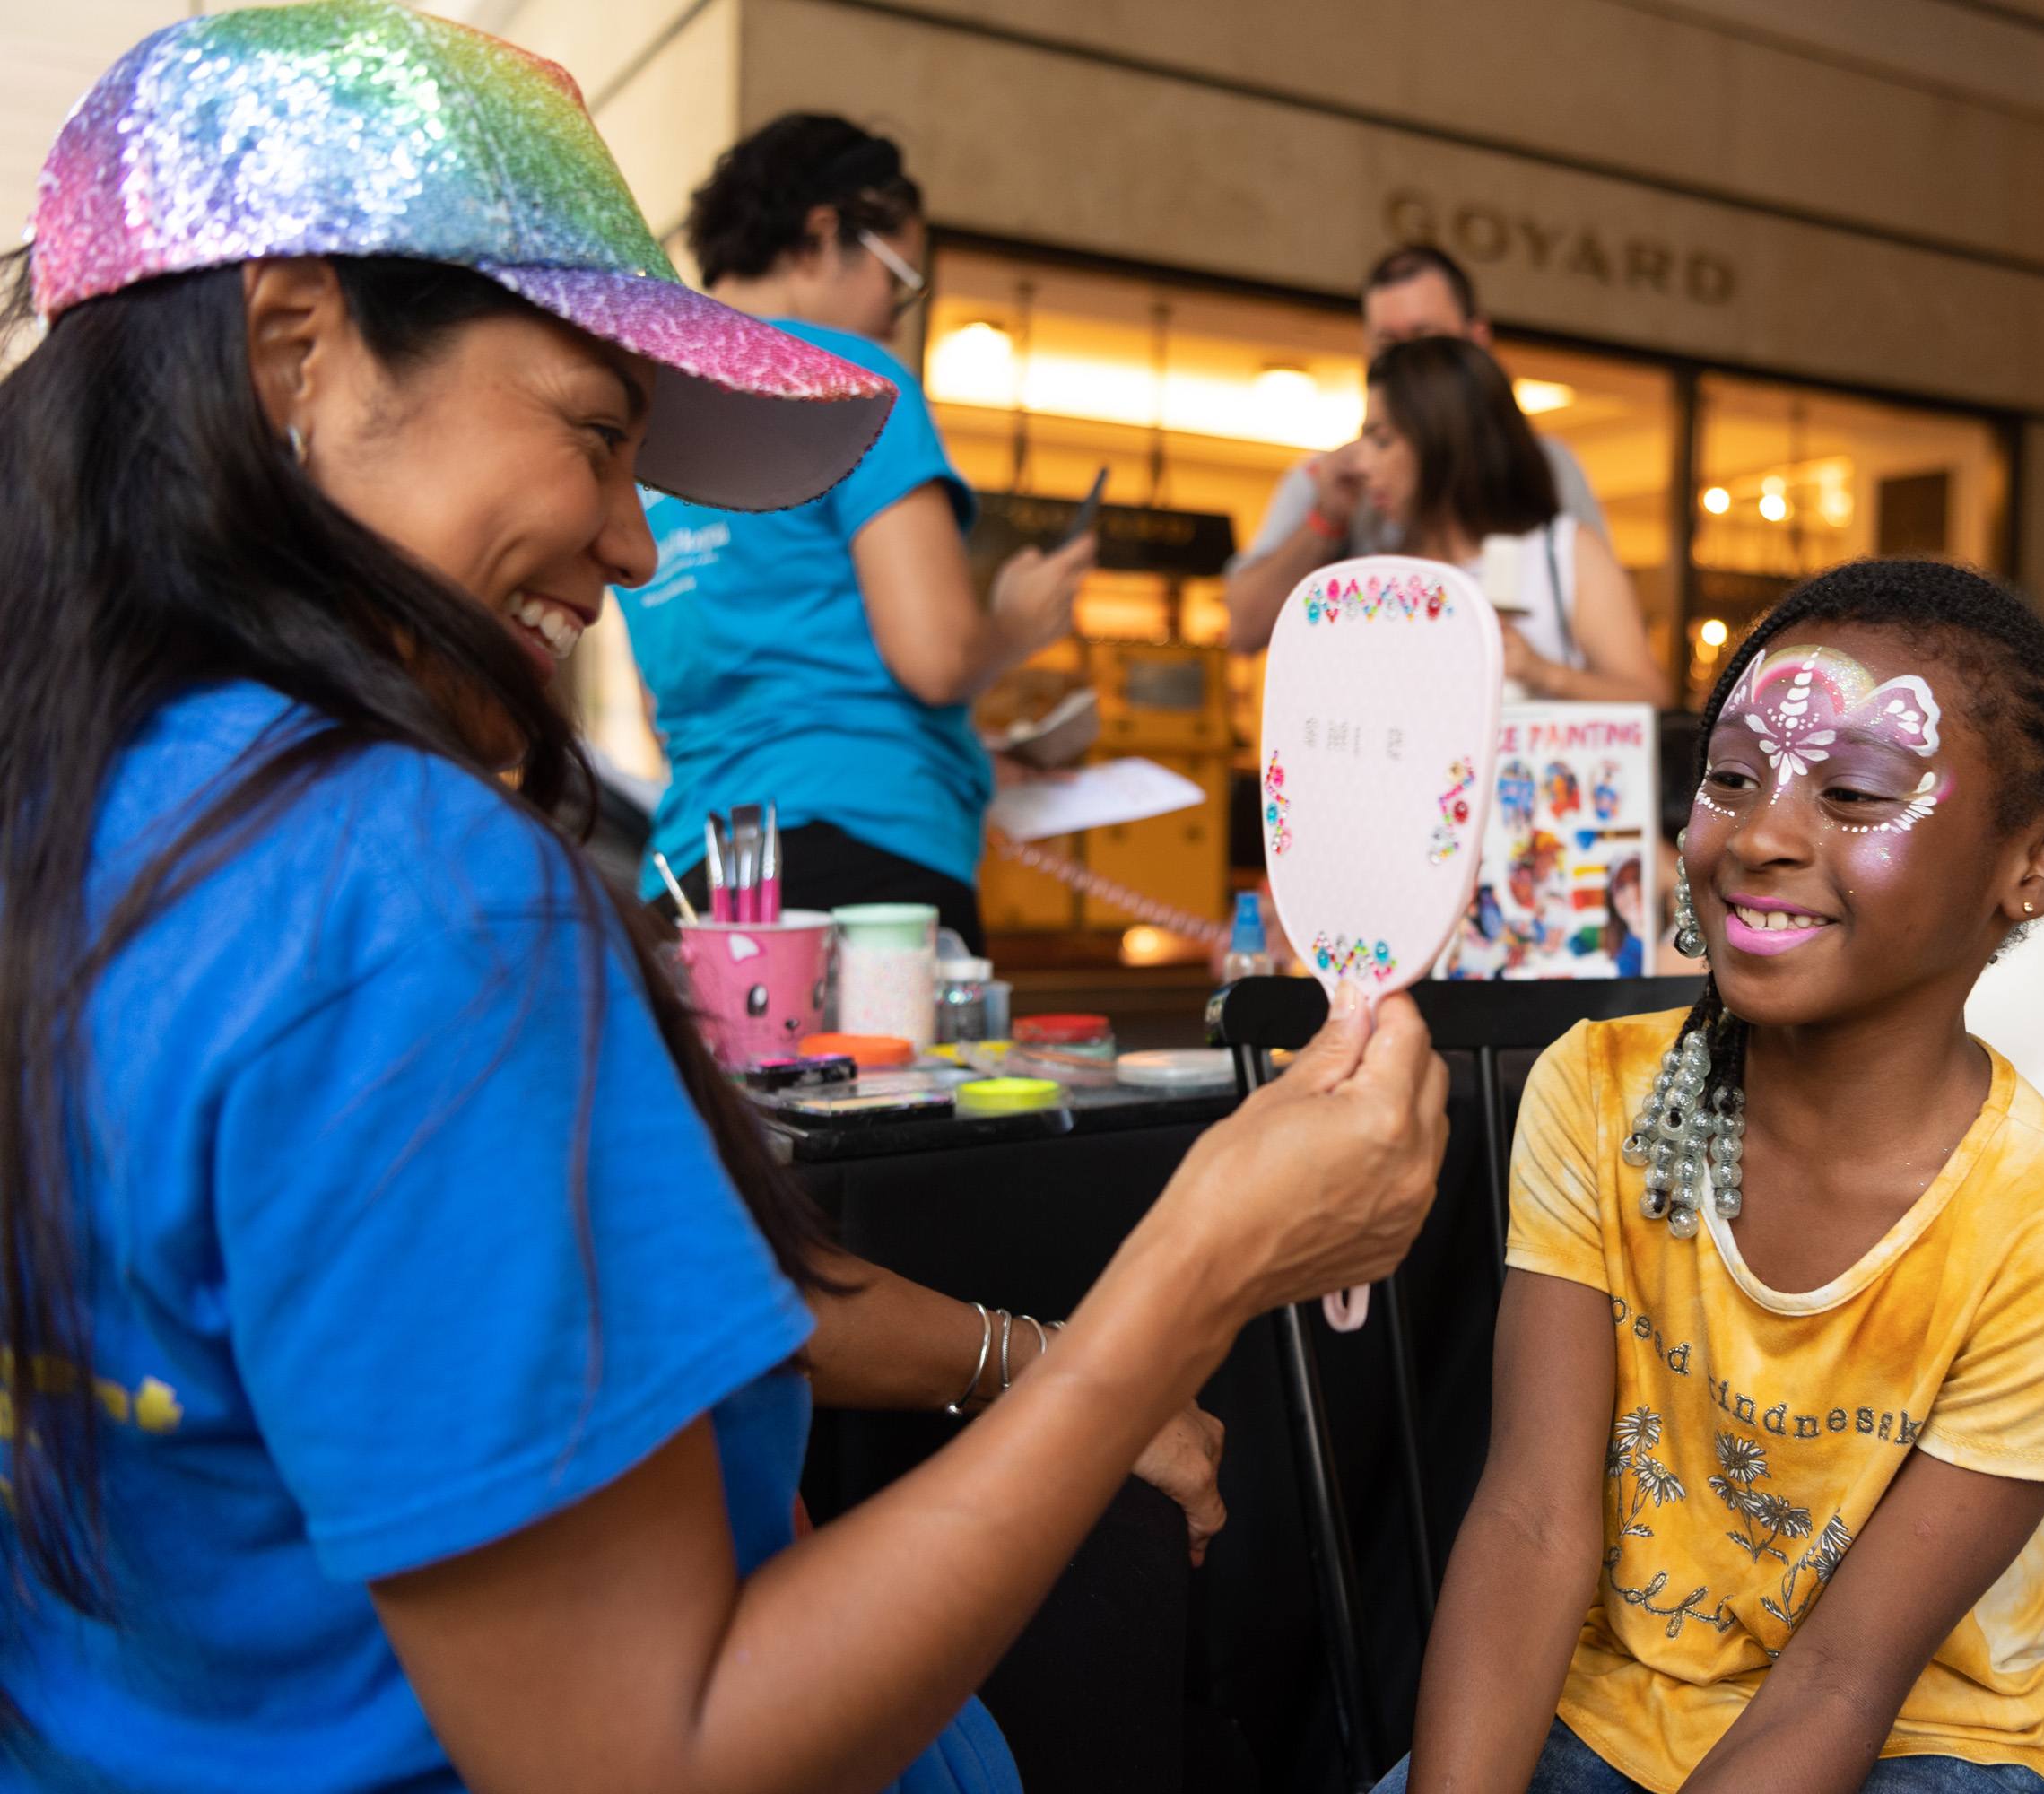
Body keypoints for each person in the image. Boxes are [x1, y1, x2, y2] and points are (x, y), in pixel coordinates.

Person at [0, 10, 1446, 1792]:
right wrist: (1197, 1274)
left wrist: (1036, 1355)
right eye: (598, 434)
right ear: (295, 346)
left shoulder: (96, 814)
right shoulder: (406, 890)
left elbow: (548, 1289)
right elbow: (651, 1754)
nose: (631, 544)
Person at [1386, 561, 2044, 1794]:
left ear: (2040, 860)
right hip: (1612, 1711)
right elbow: (1531, 1525)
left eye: (1855, 792)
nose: (1758, 835)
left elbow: (1844, 1682)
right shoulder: (1599, 1093)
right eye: (1732, 777)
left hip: (1927, 1743)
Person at [617, 113, 1092, 946]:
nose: (896, 316)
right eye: (898, 278)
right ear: (822, 235)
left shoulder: (650, 412)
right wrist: (1018, 622)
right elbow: (937, 658)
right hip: (870, 861)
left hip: (696, 866)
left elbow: (673, 700)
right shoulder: (854, 382)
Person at [1223, 245, 1608, 652]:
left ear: (1477, 340)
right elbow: (1244, 632)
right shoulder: (1331, 477)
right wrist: (1327, 519)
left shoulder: (1545, 465)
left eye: (1426, 338)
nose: (1408, 364)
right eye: (1389, 344)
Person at [1350, 335, 1666, 706]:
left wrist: (1542, 673)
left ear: (1445, 441)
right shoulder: (1385, 572)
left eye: (1383, 441)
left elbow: (1650, 699)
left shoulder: (1565, 552)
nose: (1363, 465)